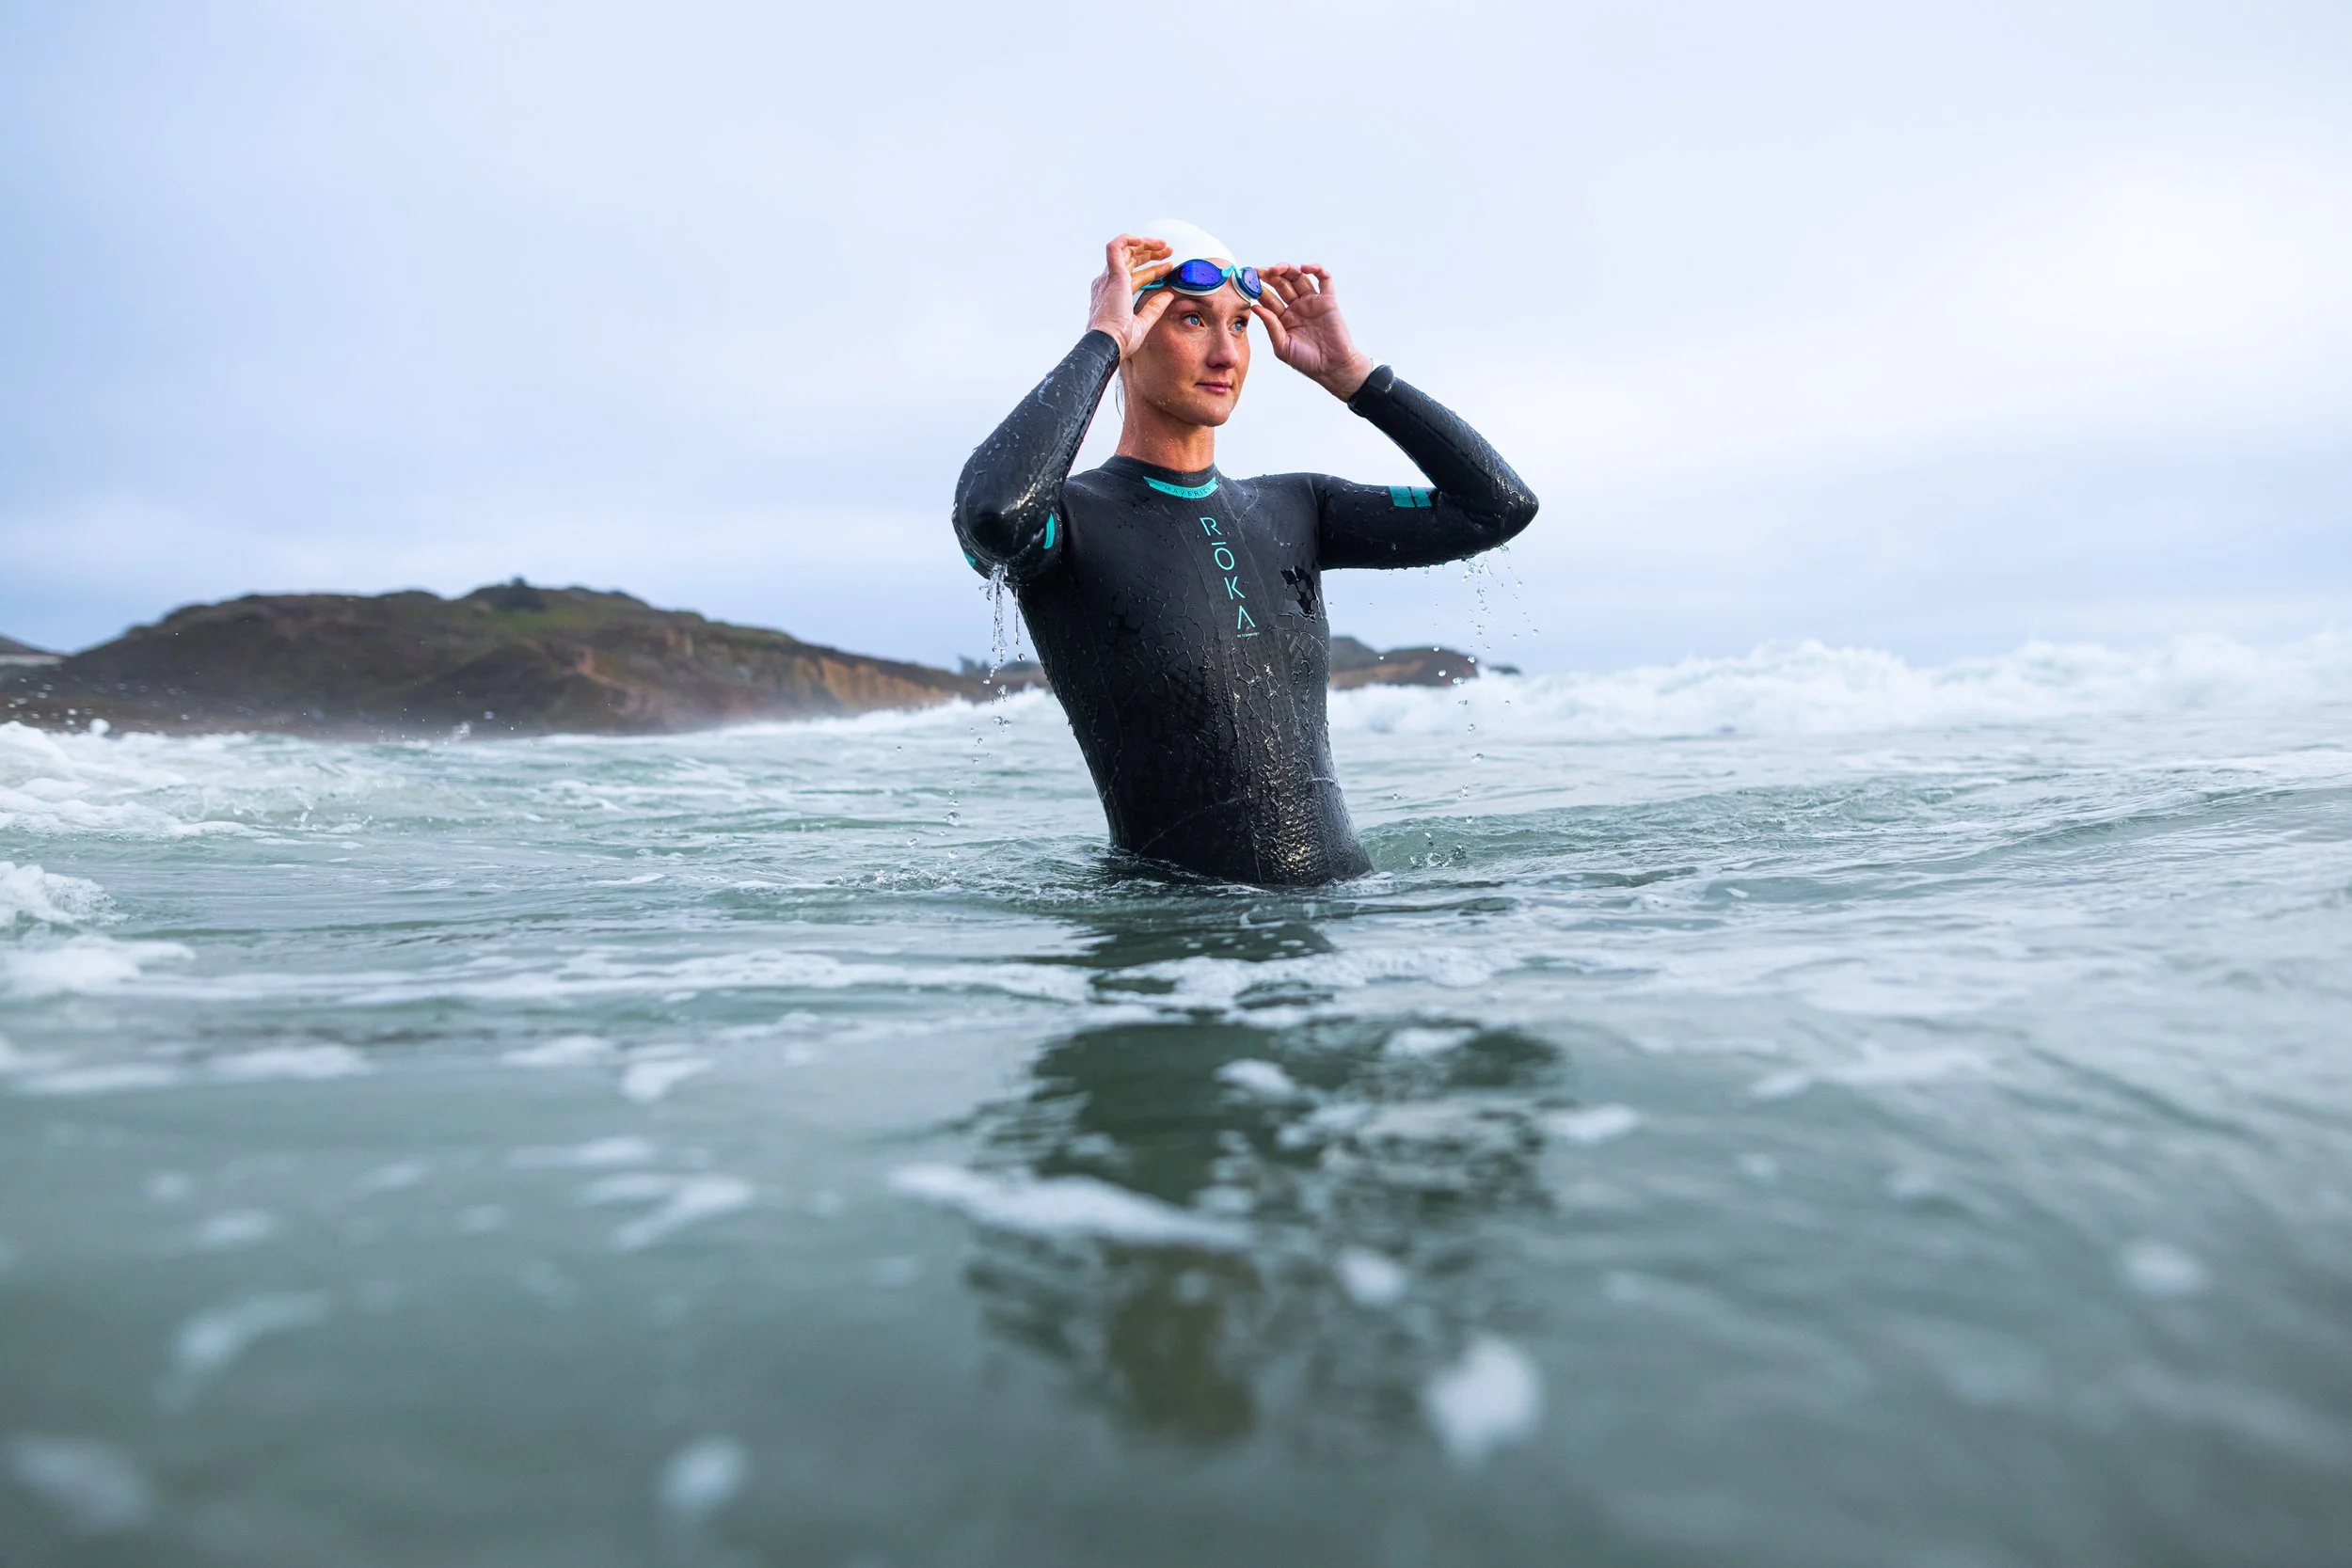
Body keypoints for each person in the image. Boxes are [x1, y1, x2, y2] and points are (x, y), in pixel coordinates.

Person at [951, 219, 1537, 886]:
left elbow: (1497, 506)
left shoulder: (1296, 508)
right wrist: (1101, 340)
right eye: (1193, 321)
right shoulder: (1069, 524)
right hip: (1178, 952)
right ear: (1137, 335)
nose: (1226, 354)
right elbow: (992, 514)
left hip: (1333, 944)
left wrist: (1357, 378)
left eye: (1239, 325)